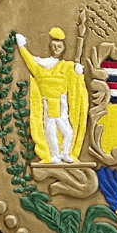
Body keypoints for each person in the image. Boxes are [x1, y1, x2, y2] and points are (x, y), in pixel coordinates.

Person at [17, 27, 88, 164]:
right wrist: (21, 47)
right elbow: (29, 61)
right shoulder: (40, 67)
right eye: (54, 46)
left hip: (61, 104)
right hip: (47, 103)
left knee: (67, 132)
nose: (56, 49)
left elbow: (74, 77)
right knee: (50, 133)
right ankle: (54, 155)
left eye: (59, 46)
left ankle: (66, 153)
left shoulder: (66, 66)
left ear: (64, 48)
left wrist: (78, 72)